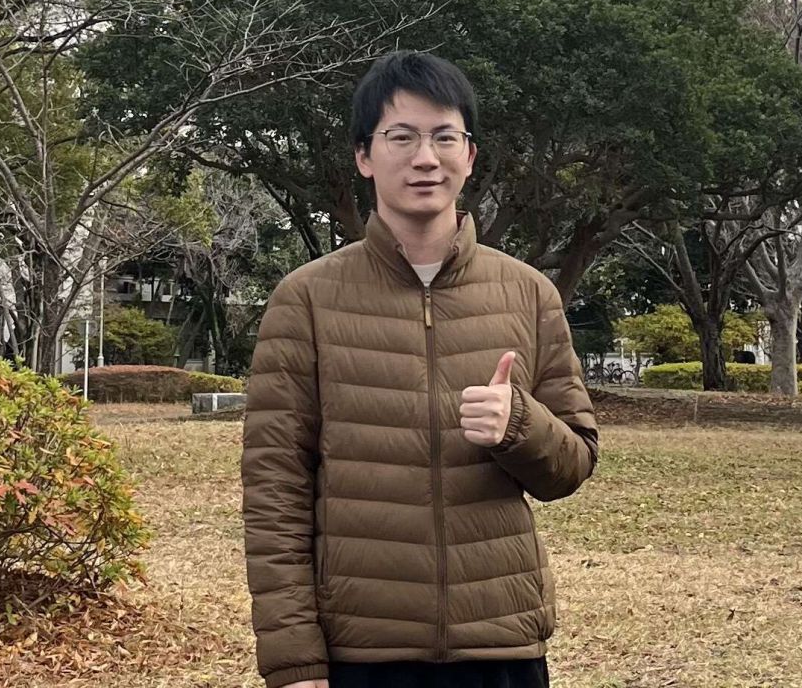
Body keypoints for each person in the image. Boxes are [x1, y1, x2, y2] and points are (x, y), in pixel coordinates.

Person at [242, 52, 599, 688]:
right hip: (361, 654)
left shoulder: (529, 294)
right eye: (401, 137)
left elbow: (572, 467)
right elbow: (276, 491)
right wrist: (294, 658)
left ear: (471, 154)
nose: (425, 158)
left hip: (500, 647)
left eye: (444, 137)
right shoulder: (307, 299)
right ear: (364, 155)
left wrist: (519, 425)